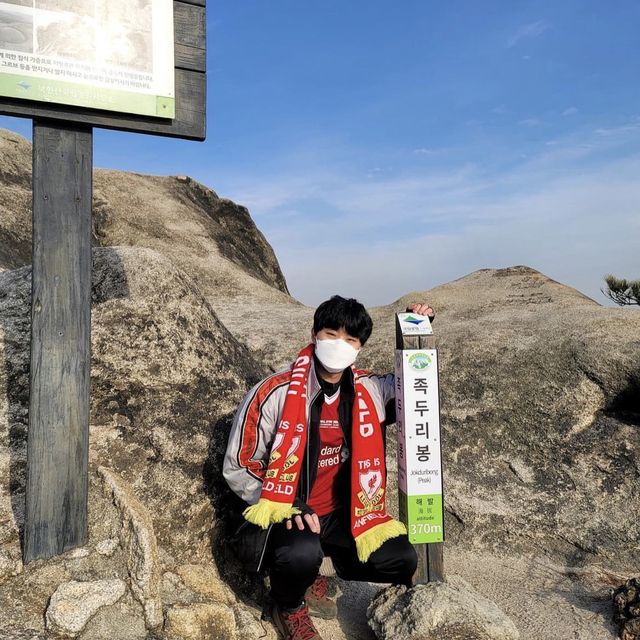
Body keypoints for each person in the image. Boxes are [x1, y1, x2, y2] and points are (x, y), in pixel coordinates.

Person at [223, 296, 435, 640]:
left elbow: (411, 387)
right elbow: (238, 464)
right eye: (331, 334)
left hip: (343, 514)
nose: (340, 345)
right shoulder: (274, 392)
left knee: (401, 558)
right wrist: (284, 503)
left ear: (360, 348)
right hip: (290, 512)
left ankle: (315, 575)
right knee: (300, 552)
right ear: (314, 335)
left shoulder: (369, 390)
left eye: (351, 340)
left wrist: (417, 328)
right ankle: (289, 605)